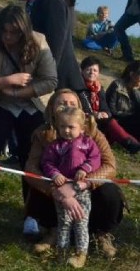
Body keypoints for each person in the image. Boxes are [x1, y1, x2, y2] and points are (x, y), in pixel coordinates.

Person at [0, 5, 58, 220]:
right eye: (4, 31)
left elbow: (51, 80)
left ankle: (32, 215)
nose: (8, 37)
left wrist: (25, 91)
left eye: (14, 32)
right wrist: (7, 81)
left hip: (31, 104)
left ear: (24, 31)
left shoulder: (39, 42)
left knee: (30, 158)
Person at [25, 90, 122, 261]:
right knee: (34, 187)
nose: (66, 107)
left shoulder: (93, 133)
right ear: (52, 108)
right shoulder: (42, 134)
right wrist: (56, 190)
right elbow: (31, 167)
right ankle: (53, 231)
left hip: (86, 185)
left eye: (72, 104)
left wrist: (82, 184)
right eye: (62, 103)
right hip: (56, 187)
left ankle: (101, 234)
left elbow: (110, 165)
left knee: (110, 191)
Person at [39, 106, 100, 267]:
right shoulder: (55, 146)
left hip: (82, 191)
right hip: (62, 190)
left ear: (82, 127)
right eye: (62, 127)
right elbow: (47, 163)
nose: (66, 131)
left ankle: (81, 254)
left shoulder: (88, 143)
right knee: (64, 222)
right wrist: (55, 174)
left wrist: (85, 168)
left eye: (71, 127)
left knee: (81, 222)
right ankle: (62, 251)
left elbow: (95, 159)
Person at [13, 0, 85, 94]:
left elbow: (56, 39)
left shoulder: (51, 0)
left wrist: (48, 71)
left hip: (60, 77)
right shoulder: (31, 5)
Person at [80, 56, 139, 153]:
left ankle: (132, 142)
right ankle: (130, 144)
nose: (92, 72)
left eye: (95, 70)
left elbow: (105, 106)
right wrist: (96, 114)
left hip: (105, 120)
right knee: (110, 121)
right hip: (91, 121)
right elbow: (112, 109)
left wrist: (105, 113)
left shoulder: (99, 88)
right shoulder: (79, 87)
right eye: (88, 69)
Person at [104, 60, 140, 142]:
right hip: (118, 122)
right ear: (132, 74)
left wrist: (134, 91)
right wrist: (129, 116)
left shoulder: (137, 91)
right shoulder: (117, 86)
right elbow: (111, 110)